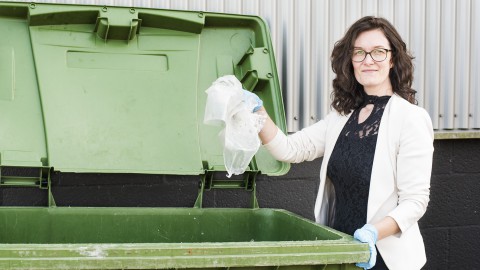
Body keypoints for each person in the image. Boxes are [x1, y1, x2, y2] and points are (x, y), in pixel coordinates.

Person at [246, 16, 434, 270]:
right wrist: (258, 112)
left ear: (392, 59)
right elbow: (289, 150)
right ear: (351, 61)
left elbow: (415, 201)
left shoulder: (411, 118)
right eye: (359, 53)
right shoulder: (341, 117)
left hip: (382, 256)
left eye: (378, 52)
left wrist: (373, 233)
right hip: (342, 250)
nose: (368, 60)